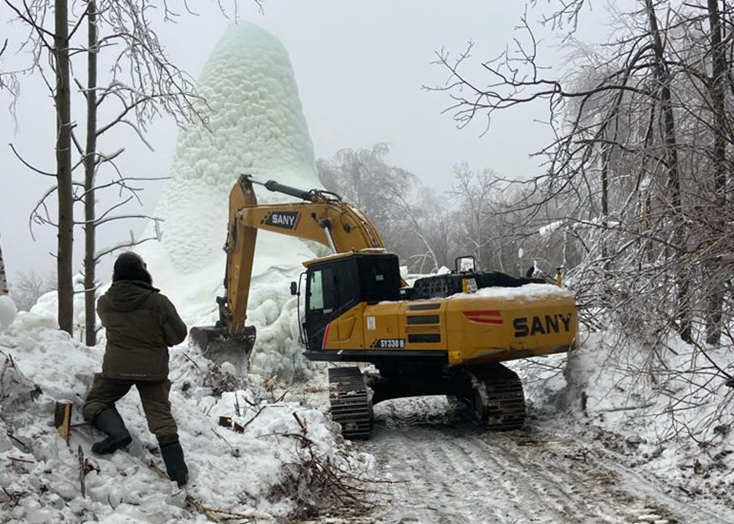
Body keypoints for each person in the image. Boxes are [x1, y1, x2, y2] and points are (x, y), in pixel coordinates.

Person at [82, 252, 189, 487]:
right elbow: (178, 335)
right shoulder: (158, 302)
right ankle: (179, 474)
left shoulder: (104, 302)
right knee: (161, 418)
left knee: (96, 403)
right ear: (142, 271)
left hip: (117, 368)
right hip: (152, 370)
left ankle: (117, 433)